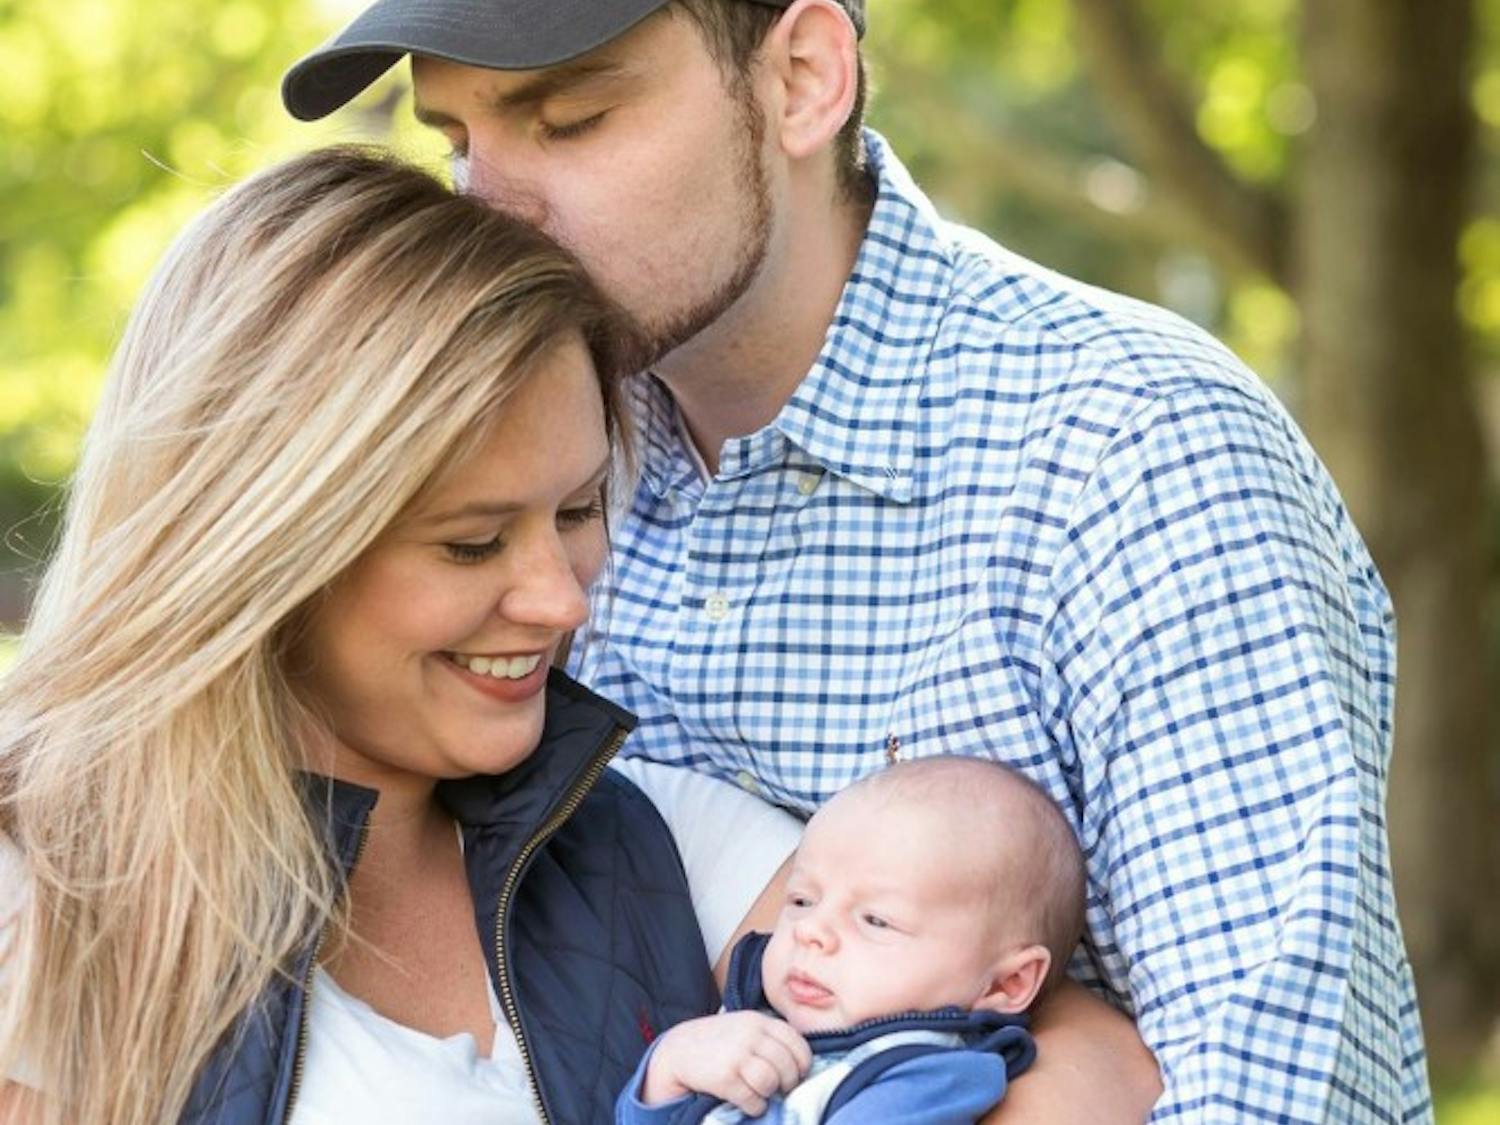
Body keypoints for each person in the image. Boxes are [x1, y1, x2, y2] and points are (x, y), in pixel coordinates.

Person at [282, 0, 1429, 1119]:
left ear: (803, 79)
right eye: (458, 142)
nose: (493, 207)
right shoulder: (488, 468)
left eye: (569, 119)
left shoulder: (1131, 455)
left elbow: (1287, 1091)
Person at [0, 146, 808, 1125]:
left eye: (579, 509)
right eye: (473, 544)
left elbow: (1011, 1039)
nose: (563, 602)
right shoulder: (38, 900)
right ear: (266, 542)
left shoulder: (680, 849)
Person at [616, 757, 1085, 1123]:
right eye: (801, 900)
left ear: (1005, 984)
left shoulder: (923, 1078)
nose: (812, 931)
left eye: (876, 921)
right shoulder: (756, 1013)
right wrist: (666, 1075)